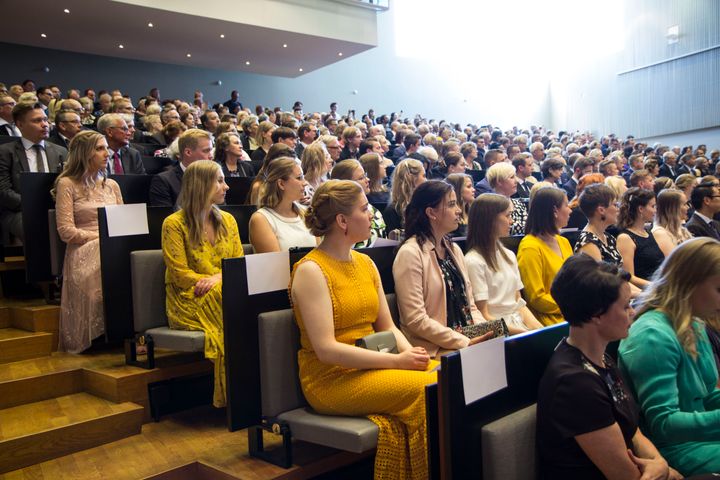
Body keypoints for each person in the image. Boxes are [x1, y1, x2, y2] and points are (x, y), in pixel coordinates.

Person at [290, 179, 437, 479]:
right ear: (342, 220)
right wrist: (397, 362)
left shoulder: (366, 263)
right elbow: (326, 350)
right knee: (428, 391)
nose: (371, 214)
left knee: (441, 375)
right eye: (364, 209)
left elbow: (388, 326)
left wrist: (415, 357)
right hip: (331, 379)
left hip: (371, 366)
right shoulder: (310, 270)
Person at [538, 254, 681, 480]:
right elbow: (625, 476)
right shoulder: (575, 383)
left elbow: (632, 430)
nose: (632, 312)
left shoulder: (601, 358)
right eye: (625, 307)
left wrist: (660, 464)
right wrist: (662, 470)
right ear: (596, 315)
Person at [619, 238, 720, 476]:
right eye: (719, 289)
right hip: (674, 449)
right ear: (689, 283)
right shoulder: (652, 335)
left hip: (699, 439)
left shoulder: (692, 321)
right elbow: (664, 425)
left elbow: (709, 395)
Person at [161, 160, 243, 408]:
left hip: (221, 290)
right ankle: (235, 394)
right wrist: (218, 281)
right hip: (187, 299)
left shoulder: (228, 220)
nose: (226, 186)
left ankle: (247, 386)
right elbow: (180, 274)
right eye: (219, 180)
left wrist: (219, 278)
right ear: (200, 184)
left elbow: (238, 263)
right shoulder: (173, 224)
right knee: (228, 301)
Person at [393, 181, 491, 358]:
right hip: (433, 347)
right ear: (431, 213)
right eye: (452, 204)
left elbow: (470, 306)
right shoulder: (410, 253)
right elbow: (416, 320)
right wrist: (464, 342)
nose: (459, 210)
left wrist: (486, 332)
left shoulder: (454, 249)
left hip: (463, 338)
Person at [53, 131, 123, 353]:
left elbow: (124, 222)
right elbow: (66, 231)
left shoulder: (111, 185)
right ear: (84, 153)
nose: (106, 153)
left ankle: (126, 326)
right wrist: (101, 238)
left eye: (106, 148)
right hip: (83, 247)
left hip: (113, 243)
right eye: (99, 148)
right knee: (105, 253)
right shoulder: (67, 183)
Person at [465, 194, 542, 334]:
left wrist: (539, 330)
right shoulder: (473, 261)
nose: (511, 221)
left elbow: (518, 302)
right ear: (490, 220)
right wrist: (524, 334)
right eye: (507, 216)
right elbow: (483, 315)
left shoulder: (508, 255)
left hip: (518, 324)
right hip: (496, 331)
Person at [0, 102, 67, 241]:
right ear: (20, 124)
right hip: (19, 210)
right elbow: (3, 191)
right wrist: (34, 205)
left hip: (58, 208)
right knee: (34, 226)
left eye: (45, 119)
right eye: (37, 121)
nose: (45, 124)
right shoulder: (5, 152)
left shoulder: (61, 151)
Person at [517, 187, 573, 325]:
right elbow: (536, 298)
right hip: (549, 320)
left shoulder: (563, 241)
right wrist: (573, 305)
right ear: (555, 211)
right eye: (566, 205)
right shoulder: (530, 247)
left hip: (573, 313)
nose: (570, 210)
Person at [248, 157, 317, 253]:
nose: (305, 183)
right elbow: (275, 264)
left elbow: (320, 254)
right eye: (299, 178)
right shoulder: (261, 219)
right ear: (281, 184)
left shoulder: (306, 212)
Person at [149, 129, 213, 207]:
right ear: (188, 152)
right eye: (206, 151)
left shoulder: (214, 177)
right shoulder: (164, 181)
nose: (211, 156)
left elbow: (222, 210)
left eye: (211, 150)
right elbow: (166, 217)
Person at [330, 159, 386, 248]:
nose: (367, 179)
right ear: (346, 183)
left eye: (365, 175)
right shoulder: (335, 215)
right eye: (361, 178)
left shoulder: (375, 212)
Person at [616, 188, 665, 286]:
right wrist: (656, 286)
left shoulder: (648, 232)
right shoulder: (625, 238)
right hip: (647, 291)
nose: (655, 210)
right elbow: (629, 277)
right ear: (641, 209)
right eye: (653, 206)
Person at [383, 158, 426, 234]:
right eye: (424, 176)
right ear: (412, 179)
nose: (426, 180)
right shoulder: (392, 211)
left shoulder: (427, 203)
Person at [485, 162, 528, 235]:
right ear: (499, 182)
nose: (516, 181)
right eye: (511, 177)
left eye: (515, 176)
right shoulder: (490, 206)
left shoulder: (519, 203)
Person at [652, 188, 692, 256]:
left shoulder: (680, 228)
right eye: (684, 204)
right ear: (673, 208)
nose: (688, 207)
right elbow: (675, 261)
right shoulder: (660, 233)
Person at [445, 173, 474, 237]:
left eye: (472, 187)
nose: (473, 190)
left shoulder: (473, 213)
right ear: (458, 190)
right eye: (469, 187)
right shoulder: (450, 216)